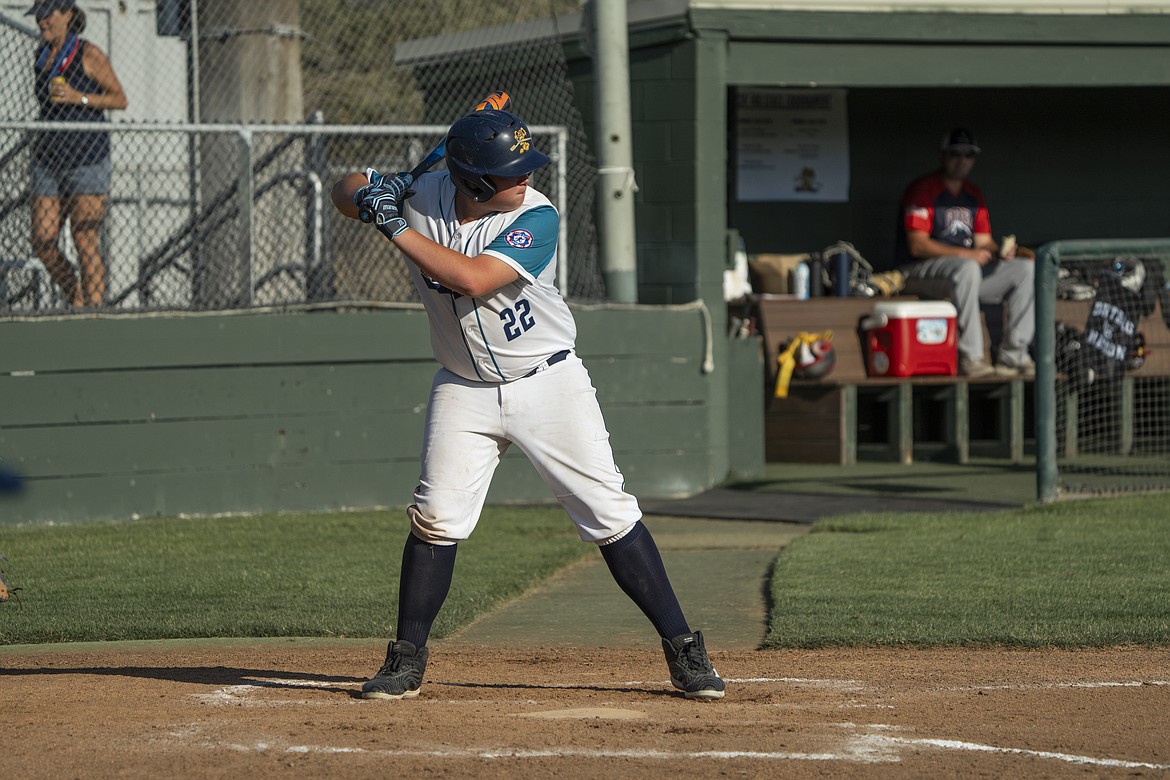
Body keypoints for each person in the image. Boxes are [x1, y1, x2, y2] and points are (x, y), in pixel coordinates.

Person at [346, 108, 725, 701]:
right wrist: (372, 194)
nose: (524, 178)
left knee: (609, 512)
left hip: (547, 383)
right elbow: (346, 191)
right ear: (471, 181)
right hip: (462, 387)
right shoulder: (422, 194)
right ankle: (405, 658)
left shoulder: (536, 215)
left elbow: (471, 279)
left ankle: (684, 649)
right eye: (509, 171)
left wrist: (392, 225)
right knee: (435, 518)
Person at [897, 128, 1035, 377]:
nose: (962, 160)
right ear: (942, 156)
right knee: (968, 268)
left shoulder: (973, 194)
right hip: (916, 274)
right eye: (955, 154)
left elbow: (983, 242)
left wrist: (1003, 251)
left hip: (961, 277)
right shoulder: (924, 190)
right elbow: (917, 245)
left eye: (968, 155)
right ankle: (971, 358)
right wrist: (966, 255)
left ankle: (1013, 355)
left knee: (1025, 270)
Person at [27, 0, 128, 308]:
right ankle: (77, 295)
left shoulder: (88, 53)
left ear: (67, 15)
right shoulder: (41, 56)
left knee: (84, 237)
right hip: (49, 158)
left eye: (48, 15)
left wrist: (78, 97)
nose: (42, 21)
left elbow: (120, 99)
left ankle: (95, 315)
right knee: (43, 241)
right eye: (39, 16)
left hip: (86, 157)